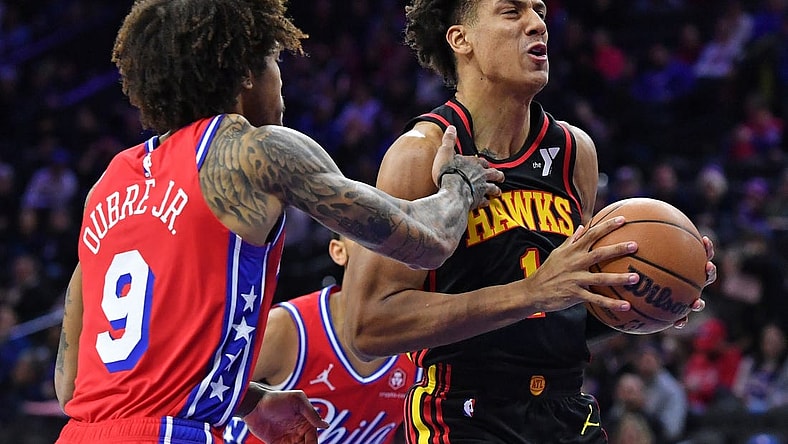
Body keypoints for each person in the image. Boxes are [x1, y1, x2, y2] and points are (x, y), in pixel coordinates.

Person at [52, 0, 505, 443]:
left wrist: (243, 400)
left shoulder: (108, 185)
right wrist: (458, 184)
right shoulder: (254, 151)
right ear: (246, 71)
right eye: (274, 59)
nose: (282, 81)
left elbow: (73, 383)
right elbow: (426, 241)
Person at [341, 1, 716, 442]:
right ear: (461, 40)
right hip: (464, 410)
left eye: (538, 10)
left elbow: (562, 309)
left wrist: (642, 299)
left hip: (566, 408)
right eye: (511, 11)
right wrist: (528, 293)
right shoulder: (419, 153)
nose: (538, 23)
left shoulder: (575, 152)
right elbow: (366, 325)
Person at [224, 235, 418, 444]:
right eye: (371, 238)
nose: (386, 248)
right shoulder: (288, 328)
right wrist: (252, 401)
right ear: (339, 252)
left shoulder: (424, 346)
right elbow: (198, 387)